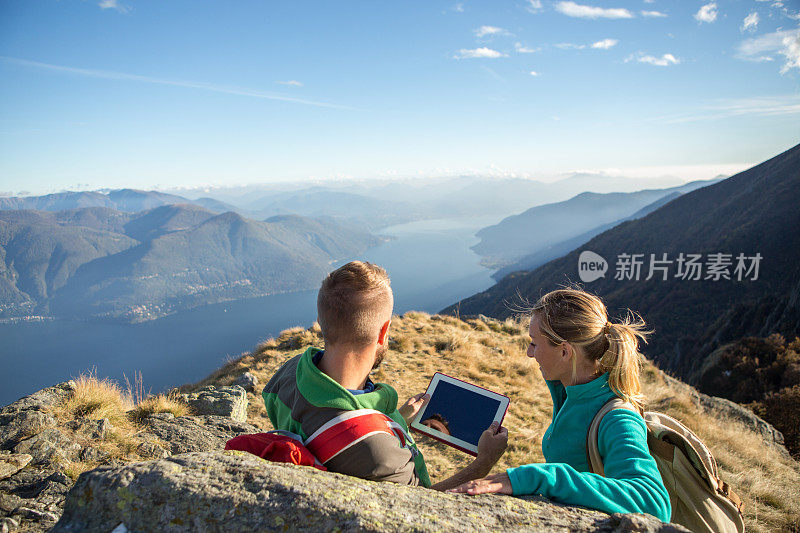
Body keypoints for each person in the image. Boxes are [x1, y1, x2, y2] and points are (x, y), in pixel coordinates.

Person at [262, 261, 507, 489]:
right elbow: (423, 503)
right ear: (383, 332)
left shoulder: (290, 373)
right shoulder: (377, 452)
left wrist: (396, 420)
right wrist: (483, 463)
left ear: (321, 321)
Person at [449, 288, 671, 523]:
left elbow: (653, 502)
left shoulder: (618, 419)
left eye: (534, 343)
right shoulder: (570, 392)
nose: (529, 352)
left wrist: (540, 477)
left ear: (565, 351)